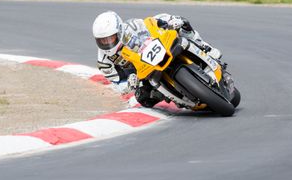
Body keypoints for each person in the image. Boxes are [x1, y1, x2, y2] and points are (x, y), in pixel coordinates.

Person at [92, 11, 222, 108]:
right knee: (143, 99)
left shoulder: (132, 26)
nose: (107, 43)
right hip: (142, 75)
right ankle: (176, 97)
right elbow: (116, 82)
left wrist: (168, 24)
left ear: (119, 31)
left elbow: (151, 25)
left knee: (179, 22)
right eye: (102, 40)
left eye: (110, 38)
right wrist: (128, 84)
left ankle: (205, 47)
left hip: (157, 49)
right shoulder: (104, 61)